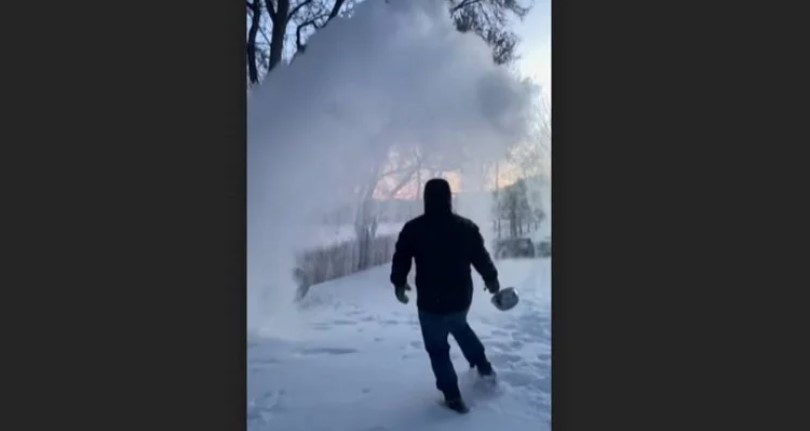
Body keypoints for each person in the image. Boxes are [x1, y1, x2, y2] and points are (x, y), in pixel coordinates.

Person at [390, 178, 500, 413]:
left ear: (426, 199)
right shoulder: (465, 227)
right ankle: (484, 367)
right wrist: (491, 279)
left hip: (430, 303)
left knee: (437, 348)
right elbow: (481, 257)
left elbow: (401, 257)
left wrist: (399, 283)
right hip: (461, 299)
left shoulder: (413, 229)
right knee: (460, 327)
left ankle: (452, 396)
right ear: (449, 198)